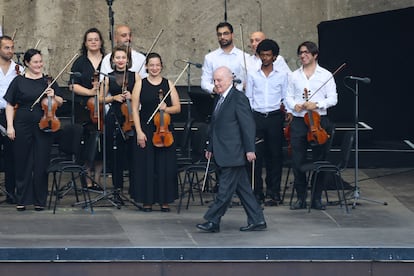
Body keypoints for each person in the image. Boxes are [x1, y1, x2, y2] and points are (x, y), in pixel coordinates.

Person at [196, 66, 266, 233]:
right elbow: (215, 126)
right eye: (214, 80)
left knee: (225, 190)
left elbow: (247, 125)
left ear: (229, 80)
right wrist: (210, 147)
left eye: (219, 80)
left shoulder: (238, 98)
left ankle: (213, 221)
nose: (216, 83)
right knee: (243, 189)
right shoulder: (219, 99)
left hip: (234, 152)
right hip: (223, 150)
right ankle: (257, 219)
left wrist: (250, 149)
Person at [4, 48, 64, 211]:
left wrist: (53, 96)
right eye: (35, 62)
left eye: (40, 61)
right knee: (22, 161)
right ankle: (22, 199)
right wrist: (10, 126)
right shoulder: (18, 81)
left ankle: (39, 200)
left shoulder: (48, 81)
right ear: (27, 63)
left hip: (45, 123)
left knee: (41, 162)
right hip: (22, 122)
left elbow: (60, 101)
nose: (39, 65)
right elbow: (10, 104)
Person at [285, 41, 337, 210]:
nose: (303, 55)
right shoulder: (294, 75)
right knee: (297, 160)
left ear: (315, 55)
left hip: (320, 121)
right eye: (301, 52)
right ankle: (301, 198)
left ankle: (316, 198)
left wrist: (317, 104)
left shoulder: (326, 75)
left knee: (320, 161)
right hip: (300, 121)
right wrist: (295, 106)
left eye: (307, 52)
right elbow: (288, 97)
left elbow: (333, 99)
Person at [131, 52, 181, 212]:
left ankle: (164, 200)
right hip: (146, 129)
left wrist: (167, 108)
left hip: (164, 130)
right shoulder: (140, 84)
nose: (154, 68)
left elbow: (177, 108)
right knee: (147, 166)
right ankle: (148, 200)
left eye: (157, 65)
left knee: (164, 166)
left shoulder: (169, 84)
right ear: (146, 66)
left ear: (161, 66)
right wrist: (139, 132)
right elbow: (134, 110)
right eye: (151, 65)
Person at [245, 39, 290, 206]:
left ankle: (274, 192)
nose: (265, 58)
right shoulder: (252, 74)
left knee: (275, 156)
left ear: (275, 57)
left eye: (268, 55)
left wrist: (289, 111)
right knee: (255, 156)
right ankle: (257, 192)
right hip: (256, 117)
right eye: (262, 55)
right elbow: (248, 98)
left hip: (275, 117)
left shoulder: (282, 75)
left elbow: (286, 97)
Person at [101, 45, 140, 198]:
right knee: (116, 155)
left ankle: (134, 189)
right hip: (115, 116)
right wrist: (114, 97)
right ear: (113, 60)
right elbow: (101, 99)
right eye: (117, 57)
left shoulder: (135, 76)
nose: (121, 60)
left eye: (123, 57)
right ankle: (117, 189)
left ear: (128, 59)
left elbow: (140, 97)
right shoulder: (108, 77)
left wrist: (132, 96)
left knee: (133, 154)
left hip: (131, 115)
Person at [70, 27, 105, 188]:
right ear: (85, 43)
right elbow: (72, 85)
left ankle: (97, 176)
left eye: (96, 39)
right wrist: (91, 91)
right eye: (90, 40)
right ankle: (87, 176)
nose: (93, 42)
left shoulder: (108, 60)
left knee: (101, 144)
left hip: (104, 106)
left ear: (101, 42)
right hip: (84, 108)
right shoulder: (80, 62)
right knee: (87, 143)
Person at [0, 35, 20, 204]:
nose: (10, 51)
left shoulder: (18, 69)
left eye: (12, 47)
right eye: (7, 47)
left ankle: (11, 192)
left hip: (11, 114)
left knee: (12, 155)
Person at [201, 22, 247, 94]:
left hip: (239, 98)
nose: (222, 37)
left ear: (232, 35)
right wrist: (215, 89)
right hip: (218, 97)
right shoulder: (210, 58)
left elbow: (246, 81)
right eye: (219, 34)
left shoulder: (244, 57)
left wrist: (240, 87)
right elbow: (204, 82)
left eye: (225, 33)